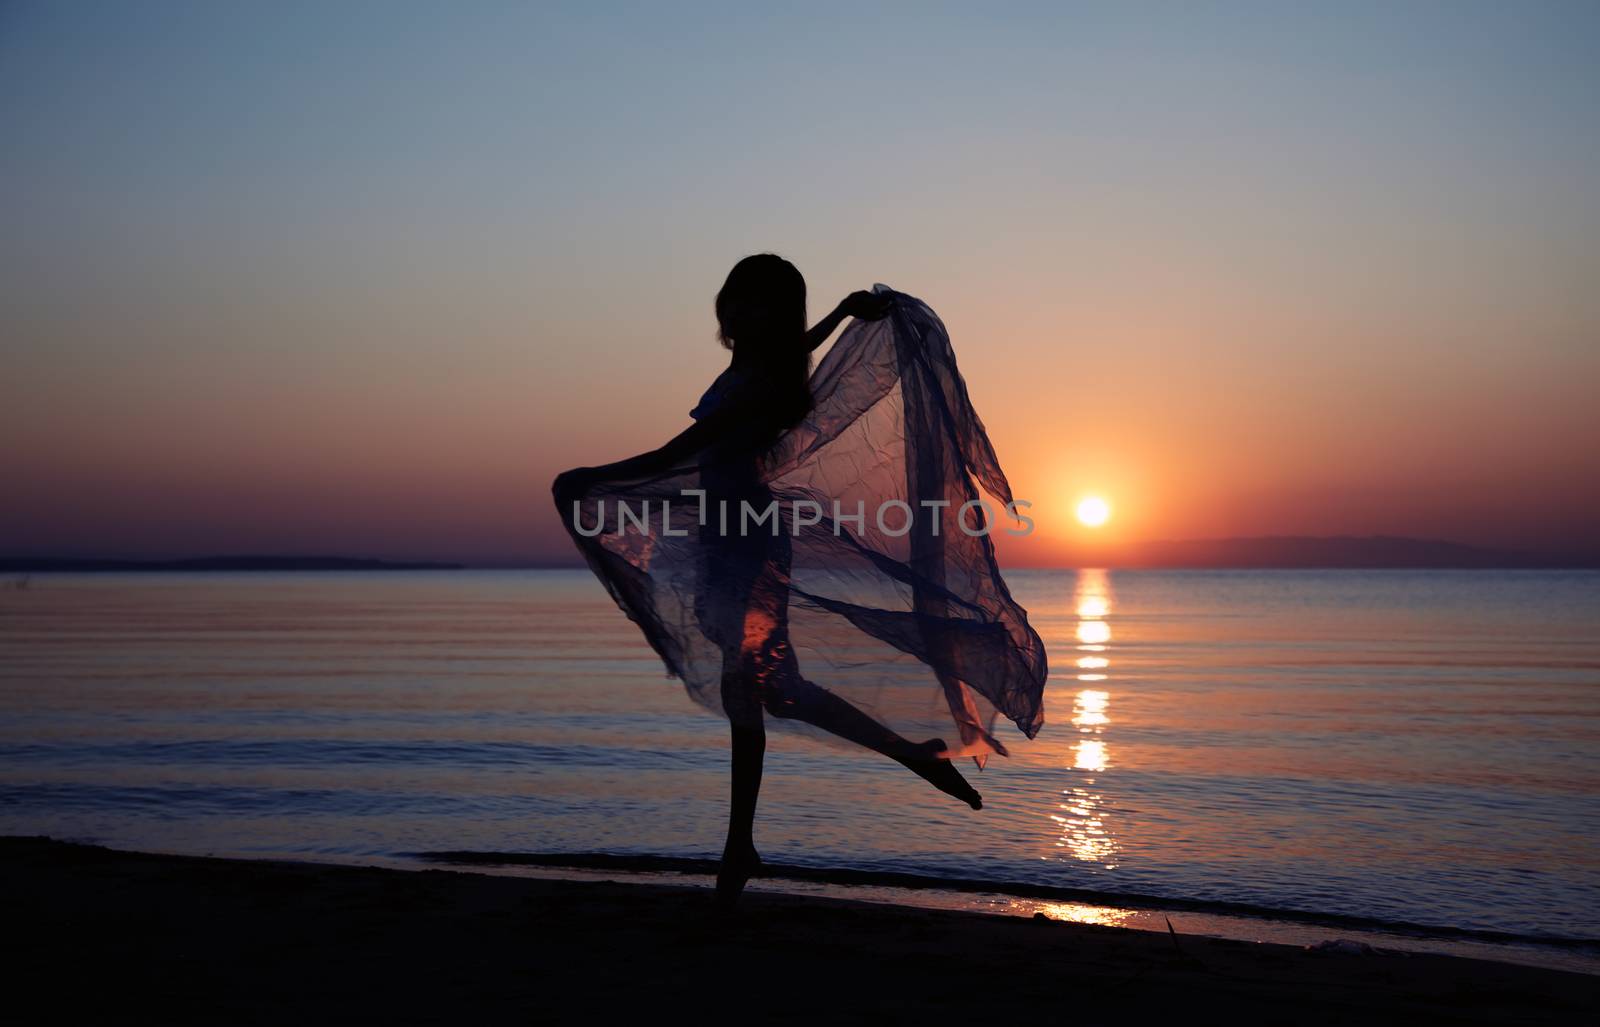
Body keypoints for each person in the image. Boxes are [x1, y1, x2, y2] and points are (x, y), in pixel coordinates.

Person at [553, 254, 1045, 908]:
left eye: (765, 303)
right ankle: (886, 766)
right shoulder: (760, 369)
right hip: (724, 539)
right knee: (761, 689)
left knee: (755, 686)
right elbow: (786, 361)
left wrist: (594, 476)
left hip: (749, 547)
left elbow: (681, 453)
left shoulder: (764, 385)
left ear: (776, 313)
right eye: (741, 298)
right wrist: (841, 310)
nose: (745, 311)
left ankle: (745, 841)